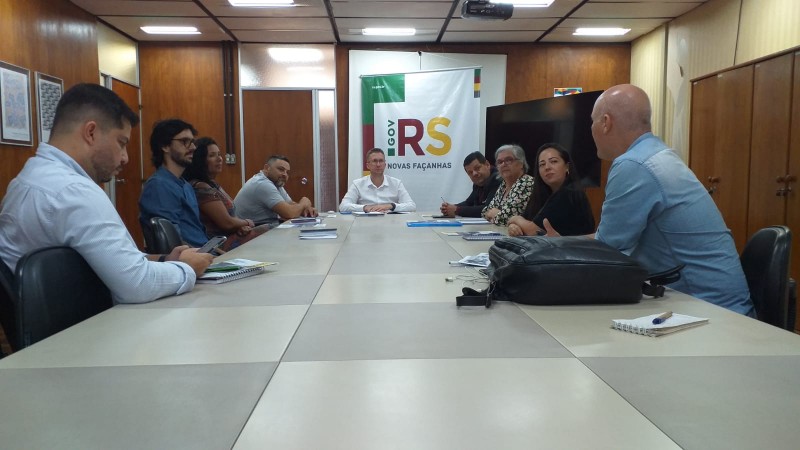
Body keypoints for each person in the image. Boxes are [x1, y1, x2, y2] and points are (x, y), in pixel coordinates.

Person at [544, 84, 754, 316]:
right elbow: (610, 237)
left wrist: (554, 250)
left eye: (592, 123)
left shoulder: (633, 165)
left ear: (605, 122)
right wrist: (562, 243)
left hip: (709, 312)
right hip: (714, 305)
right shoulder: (656, 155)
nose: (590, 131)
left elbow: (607, 251)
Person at [0, 83, 212, 304]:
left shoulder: (29, 178)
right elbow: (137, 284)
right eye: (121, 143)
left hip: (57, 325)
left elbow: (107, 257)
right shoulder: (73, 191)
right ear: (90, 132)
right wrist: (186, 268)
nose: (125, 158)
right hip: (86, 328)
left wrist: (163, 259)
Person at [183, 137, 269, 249]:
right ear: (200, 160)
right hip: (216, 244)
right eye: (212, 155)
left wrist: (240, 226)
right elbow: (227, 223)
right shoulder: (201, 187)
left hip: (230, 235)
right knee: (269, 230)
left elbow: (232, 219)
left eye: (219, 154)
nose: (219, 159)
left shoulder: (213, 184)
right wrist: (246, 222)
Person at [139, 118, 209, 247]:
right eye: (185, 141)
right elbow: (171, 244)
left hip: (204, 253)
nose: (193, 147)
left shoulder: (185, 185)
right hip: (188, 262)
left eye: (193, 142)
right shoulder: (159, 186)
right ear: (165, 146)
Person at [507, 143, 594, 237]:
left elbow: (533, 231)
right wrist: (513, 226)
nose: (547, 167)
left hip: (575, 250)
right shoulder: (543, 194)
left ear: (567, 167)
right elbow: (526, 219)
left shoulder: (569, 193)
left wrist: (515, 219)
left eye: (553, 161)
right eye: (542, 164)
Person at [234, 155, 317, 227]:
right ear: (267, 168)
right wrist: (304, 202)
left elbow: (290, 205)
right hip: (249, 230)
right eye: (281, 169)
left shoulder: (276, 182)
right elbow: (289, 213)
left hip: (264, 226)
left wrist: (307, 209)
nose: (285, 174)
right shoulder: (262, 183)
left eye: (287, 172)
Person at [339, 148, 416, 212]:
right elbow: (343, 206)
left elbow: (412, 206)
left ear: (385, 165)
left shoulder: (396, 183)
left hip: (391, 222)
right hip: (365, 223)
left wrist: (391, 206)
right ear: (368, 165)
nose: (378, 164)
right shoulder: (358, 184)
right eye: (375, 161)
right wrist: (365, 208)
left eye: (381, 161)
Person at [481, 144, 535, 225]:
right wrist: (497, 215)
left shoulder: (527, 182)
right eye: (499, 162)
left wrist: (496, 216)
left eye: (508, 160)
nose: (503, 164)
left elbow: (508, 218)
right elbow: (485, 212)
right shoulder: (503, 185)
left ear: (521, 163)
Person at [440, 151, 500, 218]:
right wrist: (450, 208)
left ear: (487, 164)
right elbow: (469, 203)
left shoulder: (498, 179)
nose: (474, 174)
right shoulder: (478, 183)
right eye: (470, 172)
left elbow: (488, 209)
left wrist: (457, 210)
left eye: (477, 168)